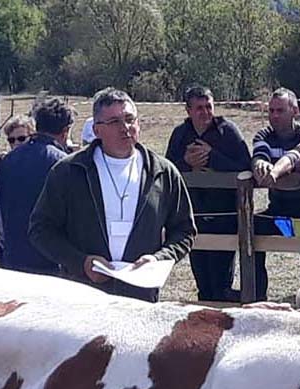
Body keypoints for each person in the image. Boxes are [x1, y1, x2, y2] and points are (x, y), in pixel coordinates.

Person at [30, 87, 196, 302]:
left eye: (129, 119)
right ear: (97, 130)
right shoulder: (68, 171)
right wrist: (81, 263)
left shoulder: (163, 172)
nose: (125, 127)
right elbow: (40, 230)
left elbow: (184, 230)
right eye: (114, 122)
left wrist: (158, 259)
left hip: (140, 298)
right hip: (83, 296)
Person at [165, 86, 252, 302]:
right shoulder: (180, 134)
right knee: (202, 281)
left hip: (224, 216)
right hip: (194, 215)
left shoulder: (227, 131)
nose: (205, 112)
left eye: (208, 107)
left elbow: (244, 166)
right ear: (188, 110)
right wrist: (186, 162)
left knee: (220, 282)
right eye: (199, 108)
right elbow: (166, 170)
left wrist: (212, 157)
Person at [251, 87, 300, 297]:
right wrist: (261, 164)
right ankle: (256, 297)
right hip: (279, 211)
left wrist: (277, 171)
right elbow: (260, 156)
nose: (274, 116)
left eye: (280, 110)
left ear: (296, 110)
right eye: (271, 111)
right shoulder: (263, 134)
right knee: (249, 228)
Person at [0, 99, 71, 275]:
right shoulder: (63, 162)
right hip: (51, 261)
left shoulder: (8, 161)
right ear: (65, 131)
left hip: (14, 257)